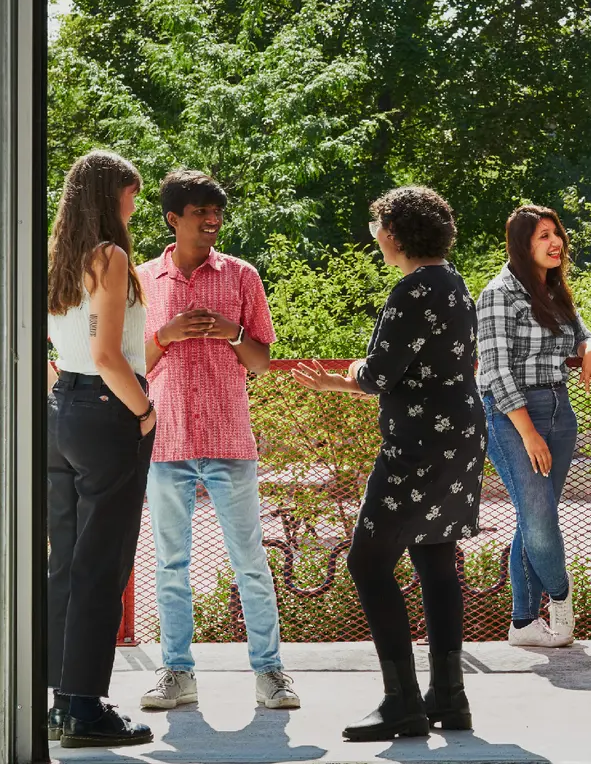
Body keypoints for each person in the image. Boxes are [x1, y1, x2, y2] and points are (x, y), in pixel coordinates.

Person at [292, 186, 485, 741]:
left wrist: (345, 372)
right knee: (435, 555)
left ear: (395, 235)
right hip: (461, 433)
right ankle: (449, 694)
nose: (376, 236)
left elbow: (379, 375)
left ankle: (401, 701)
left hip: (420, 443)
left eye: (378, 226)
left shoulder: (410, 289)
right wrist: (347, 375)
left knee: (368, 563)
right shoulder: (454, 283)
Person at [137, 170, 300, 712]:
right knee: (170, 564)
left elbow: (262, 360)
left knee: (249, 561)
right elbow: (130, 363)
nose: (212, 221)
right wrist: (166, 334)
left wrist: (232, 333)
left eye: (217, 212)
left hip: (230, 440)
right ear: (172, 218)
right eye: (200, 212)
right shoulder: (142, 281)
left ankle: (271, 673)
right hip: (166, 444)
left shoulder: (242, 276)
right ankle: (177, 674)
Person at [47, 150, 155, 748]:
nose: (134, 207)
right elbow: (111, 354)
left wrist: (61, 393)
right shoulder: (110, 258)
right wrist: (142, 411)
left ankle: (56, 700)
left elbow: (53, 347)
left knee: (64, 562)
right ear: (110, 197)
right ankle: (84, 708)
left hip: (62, 408)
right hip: (107, 411)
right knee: (101, 566)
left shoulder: (56, 259)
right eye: (130, 195)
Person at [477, 205, 591, 647]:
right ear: (522, 245)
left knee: (534, 518)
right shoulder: (499, 292)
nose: (555, 244)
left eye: (557, 234)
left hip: (559, 407)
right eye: (543, 237)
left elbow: (583, 332)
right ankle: (561, 596)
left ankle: (522, 623)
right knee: (540, 516)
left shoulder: (552, 289)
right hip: (512, 414)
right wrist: (528, 431)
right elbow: (495, 370)